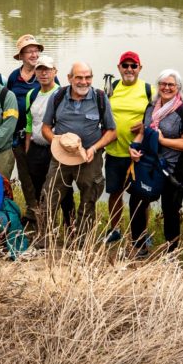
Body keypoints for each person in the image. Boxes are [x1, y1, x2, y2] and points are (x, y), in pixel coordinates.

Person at [41, 62, 117, 242]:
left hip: (89, 158)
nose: (84, 82)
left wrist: (94, 148)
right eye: (79, 77)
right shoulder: (57, 96)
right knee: (49, 197)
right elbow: (45, 128)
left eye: (88, 77)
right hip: (60, 158)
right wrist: (60, 144)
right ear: (69, 78)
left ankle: (82, 243)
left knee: (88, 200)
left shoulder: (99, 97)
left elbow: (112, 132)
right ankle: (43, 240)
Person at [127, 68, 183, 255]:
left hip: (173, 169)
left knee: (170, 209)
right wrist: (134, 148)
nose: (166, 87)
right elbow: (143, 131)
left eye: (171, 85)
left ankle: (171, 252)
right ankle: (139, 246)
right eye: (163, 84)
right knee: (137, 202)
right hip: (149, 165)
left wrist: (163, 141)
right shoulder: (151, 108)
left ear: (178, 88)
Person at [102, 50, 153, 243]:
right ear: (119, 68)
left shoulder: (150, 90)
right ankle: (114, 229)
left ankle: (142, 232)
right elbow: (102, 112)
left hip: (138, 154)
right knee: (115, 193)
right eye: (125, 65)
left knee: (142, 195)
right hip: (114, 151)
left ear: (140, 68)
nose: (129, 69)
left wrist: (145, 126)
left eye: (134, 65)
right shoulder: (112, 87)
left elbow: (157, 119)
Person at [23, 55, 75, 237]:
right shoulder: (32, 94)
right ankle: (44, 229)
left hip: (57, 149)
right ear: (35, 72)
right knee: (39, 191)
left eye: (47, 69)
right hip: (37, 148)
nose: (43, 73)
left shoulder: (63, 94)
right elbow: (30, 123)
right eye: (39, 69)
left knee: (64, 191)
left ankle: (71, 229)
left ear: (55, 72)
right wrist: (28, 149)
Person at [6, 34, 54, 224]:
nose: (33, 54)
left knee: (41, 176)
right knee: (25, 175)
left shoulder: (45, 75)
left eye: (36, 50)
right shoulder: (13, 77)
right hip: (18, 135)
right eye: (29, 51)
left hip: (41, 136)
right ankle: (32, 210)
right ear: (21, 55)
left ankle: (45, 212)